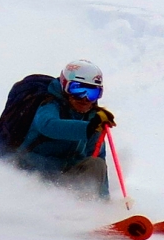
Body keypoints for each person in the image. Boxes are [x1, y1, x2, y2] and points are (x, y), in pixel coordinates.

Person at [14, 60, 116, 200]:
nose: (85, 98)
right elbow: (48, 125)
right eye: (78, 90)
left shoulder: (91, 118)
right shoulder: (49, 104)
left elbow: (98, 162)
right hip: (31, 174)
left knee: (96, 163)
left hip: (63, 179)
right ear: (64, 86)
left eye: (93, 92)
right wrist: (88, 128)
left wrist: (105, 201)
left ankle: (91, 211)